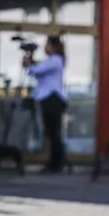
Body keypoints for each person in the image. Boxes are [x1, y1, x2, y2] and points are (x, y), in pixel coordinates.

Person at [25, 35, 68, 173]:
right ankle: (55, 162)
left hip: (52, 99)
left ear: (54, 46)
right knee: (51, 132)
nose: (45, 48)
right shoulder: (52, 61)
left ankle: (56, 163)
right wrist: (30, 62)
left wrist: (29, 63)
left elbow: (36, 70)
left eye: (47, 45)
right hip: (49, 99)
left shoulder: (55, 60)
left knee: (53, 132)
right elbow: (37, 73)